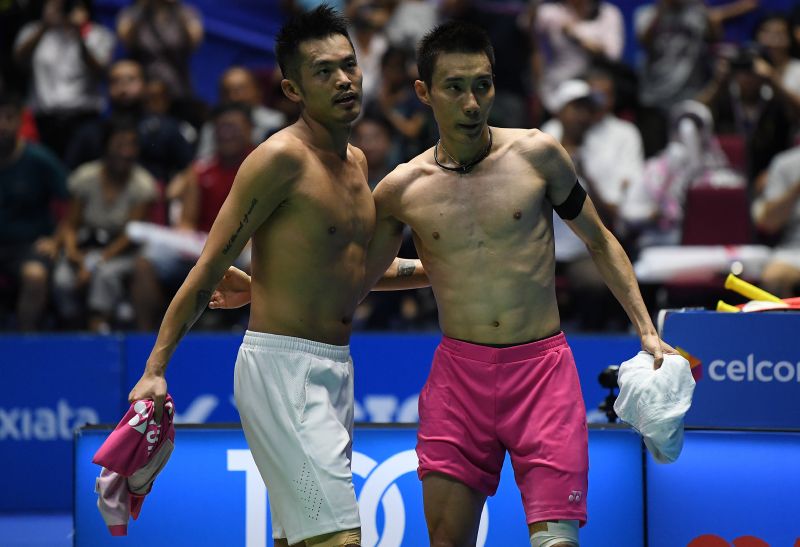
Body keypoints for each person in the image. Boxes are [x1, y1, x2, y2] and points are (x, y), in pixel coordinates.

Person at [214, 20, 676, 547]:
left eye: (482, 84)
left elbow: (601, 241)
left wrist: (646, 331)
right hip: (460, 379)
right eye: (455, 87)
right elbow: (354, 277)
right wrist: (264, 288)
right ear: (425, 93)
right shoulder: (402, 189)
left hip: (543, 374)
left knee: (557, 543)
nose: (472, 102)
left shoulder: (539, 157)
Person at [128, 7, 426, 547]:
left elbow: (355, 273)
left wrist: (443, 271)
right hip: (282, 371)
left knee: (298, 539)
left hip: (336, 370)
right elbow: (209, 268)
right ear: (292, 88)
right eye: (323, 71)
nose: (343, 80)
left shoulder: (357, 162)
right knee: (339, 538)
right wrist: (155, 368)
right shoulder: (278, 160)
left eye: (349, 65)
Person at [0, 91, 69, 330]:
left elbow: (70, 205)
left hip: (28, 245)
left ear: (20, 121)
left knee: (35, 275)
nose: (2, 125)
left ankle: (23, 341)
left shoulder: (40, 159)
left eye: (8, 118)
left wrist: (56, 239)